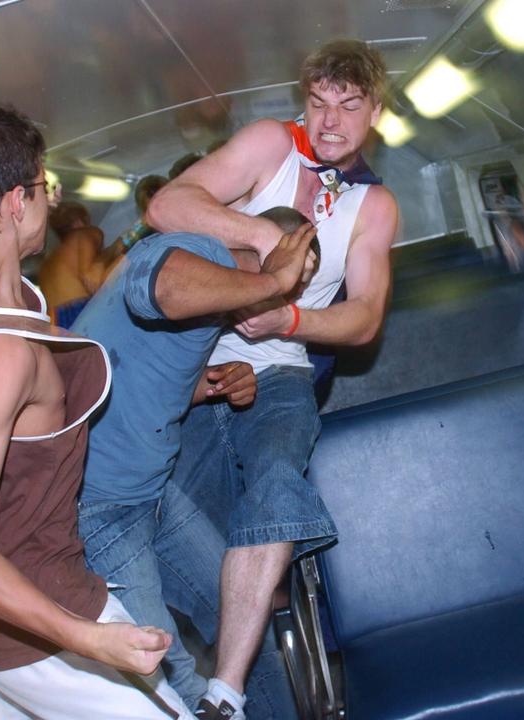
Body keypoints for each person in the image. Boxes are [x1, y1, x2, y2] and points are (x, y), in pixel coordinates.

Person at [0, 104, 188, 720]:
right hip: (25, 615)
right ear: (9, 206)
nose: (49, 201)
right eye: (42, 186)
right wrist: (85, 638)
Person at [147, 39, 399, 720]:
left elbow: (365, 318)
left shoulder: (373, 208)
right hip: (198, 362)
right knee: (161, 507)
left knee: (279, 473)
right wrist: (259, 241)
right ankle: (197, 657)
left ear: (374, 110)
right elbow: (168, 206)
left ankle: (224, 694)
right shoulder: (269, 145)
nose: (329, 121)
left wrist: (286, 318)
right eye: (318, 102)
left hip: (283, 369)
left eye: (348, 105)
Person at [73, 208, 316, 719]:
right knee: (167, 677)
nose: (290, 297)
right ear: (268, 246)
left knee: (243, 634)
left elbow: (145, 374)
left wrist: (211, 385)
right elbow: (160, 285)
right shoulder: (191, 253)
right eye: (296, 279)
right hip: (100, 503)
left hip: (156, 492)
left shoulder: (219, 305)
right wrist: (271, 279)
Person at [38, 201, 105, 328]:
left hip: (54, 321)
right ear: (80, 221)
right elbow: (89, 276)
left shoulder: (48, 261)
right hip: (79, 310)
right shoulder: (86, 233)